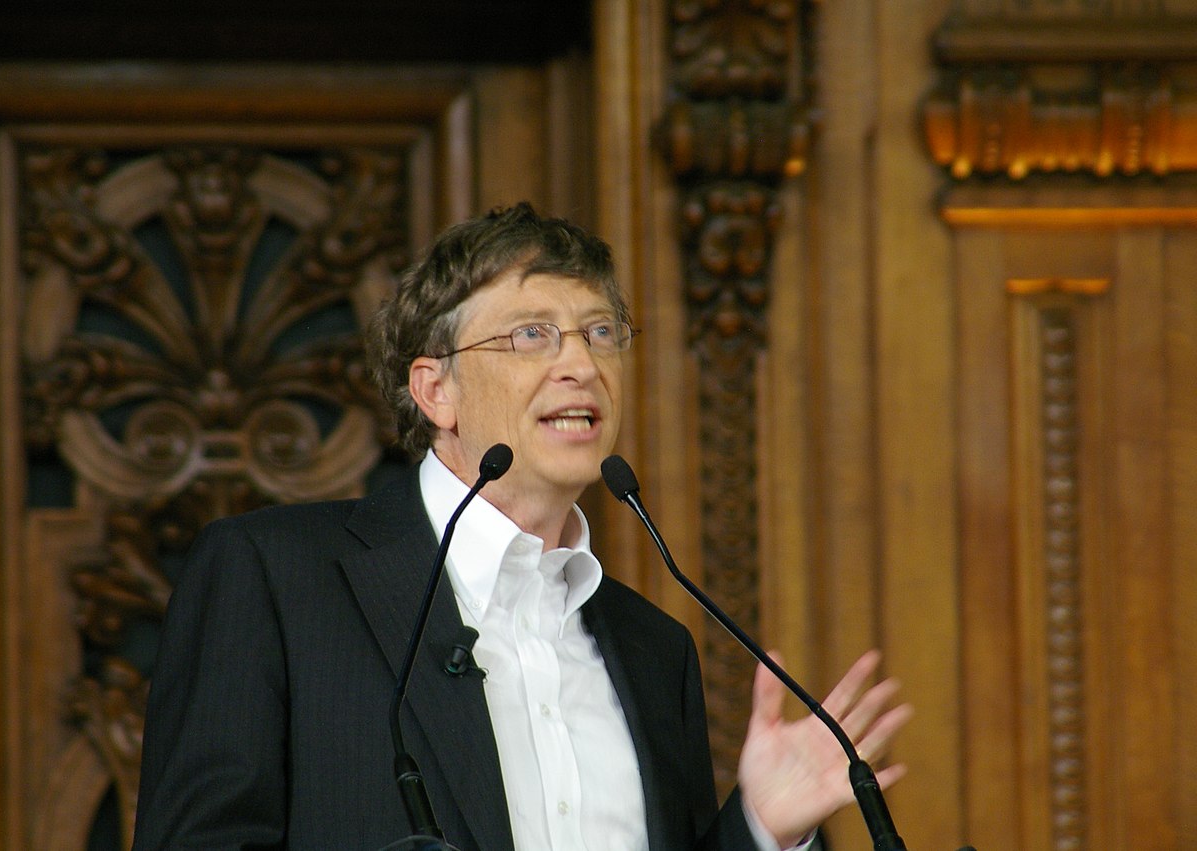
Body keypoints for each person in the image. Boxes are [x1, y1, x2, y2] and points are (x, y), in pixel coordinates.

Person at [132, 202, 912, 850]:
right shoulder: (274, 577)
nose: (580, 362)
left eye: (601, 331)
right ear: (436, 390)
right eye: (531, 333)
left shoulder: (651, 649)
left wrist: (758, 828)